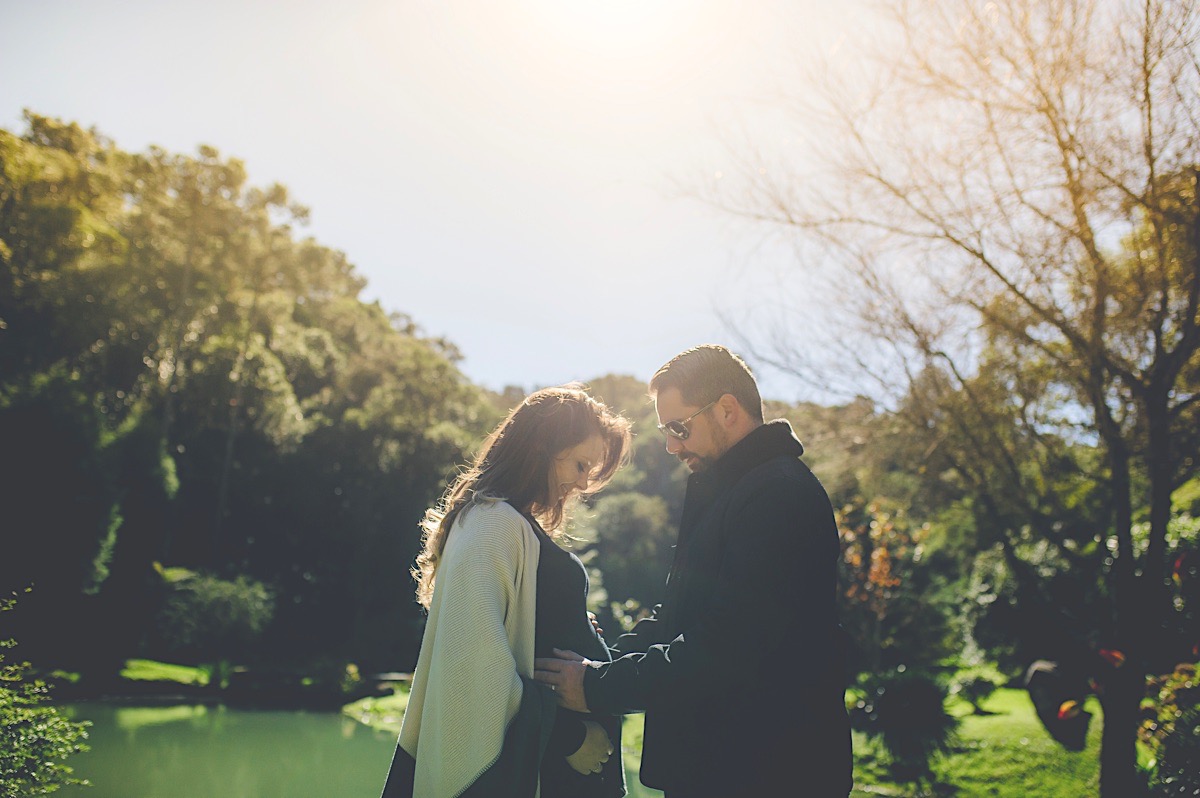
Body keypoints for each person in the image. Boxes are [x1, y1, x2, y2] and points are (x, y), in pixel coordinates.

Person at [534, 345, 853, 797]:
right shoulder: (734, 493)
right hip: (725, 770)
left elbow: (729, 644)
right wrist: (601, 661)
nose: (671, 446)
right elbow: (680, 618)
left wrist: (600, 687)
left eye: (679, 427)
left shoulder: (778, 496)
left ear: (727, 410)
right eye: (666, 431)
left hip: (768, 773)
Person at [380, 385, 632, 798]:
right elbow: (475, 662)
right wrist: (569, 737)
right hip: (548, 763)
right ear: (540, 447)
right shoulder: (493, 522)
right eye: (580, 464)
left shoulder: (502, 521)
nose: (583, 483)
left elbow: (509, 626)